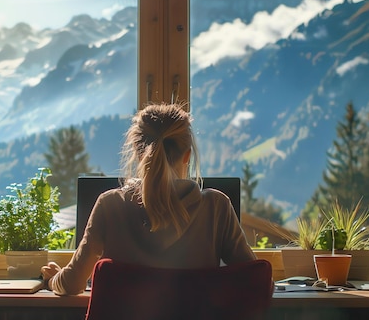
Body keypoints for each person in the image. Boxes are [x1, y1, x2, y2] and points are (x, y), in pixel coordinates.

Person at [41, 103, 255, 295]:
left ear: (137, 151)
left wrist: (53, 280)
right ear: (187, 155)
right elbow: (255, 280)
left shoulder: (110, 205)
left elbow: (72, 284)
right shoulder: (217, 207)